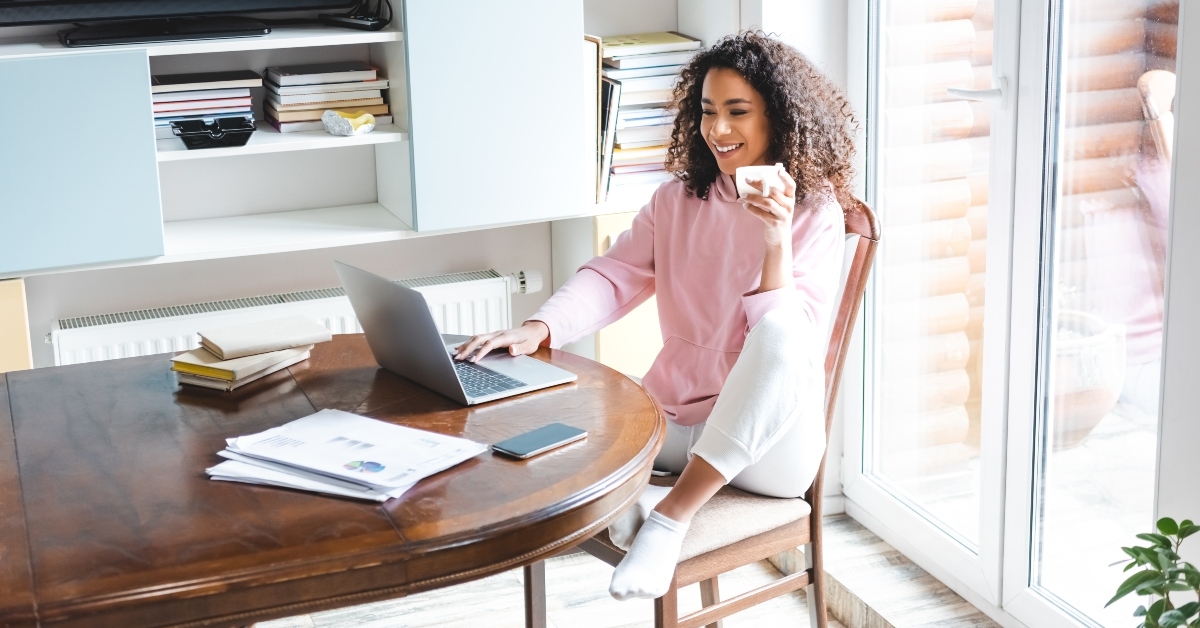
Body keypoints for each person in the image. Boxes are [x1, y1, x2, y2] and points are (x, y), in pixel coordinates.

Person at [454, 31, 857, 600]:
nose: (717, 130)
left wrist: (774, 243)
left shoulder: (816, 213)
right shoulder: (677, 201)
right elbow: (613, 274)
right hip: (677, 420)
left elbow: (791, 339)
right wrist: (538, 328)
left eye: (737, 112)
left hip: (769, 447)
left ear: (780, 118)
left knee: (784, 329)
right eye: (707, 112)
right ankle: (636, 501)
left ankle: (669, 516)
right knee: (549, 429)